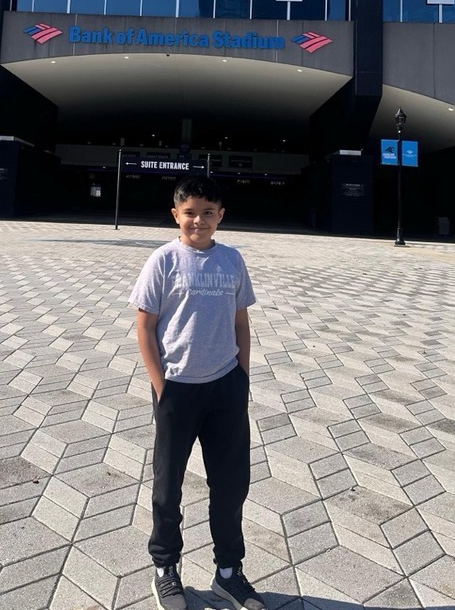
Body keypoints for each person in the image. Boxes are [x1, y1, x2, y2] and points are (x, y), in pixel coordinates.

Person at [130, 175, 264, 610]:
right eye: (190, 213)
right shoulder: (163, 260)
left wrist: (241, 376)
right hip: (177, 388)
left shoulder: (231, 260)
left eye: (208, 212)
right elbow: (145, 326)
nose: (199, 221)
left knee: (231, 484)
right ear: (176, 215)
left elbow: (241, 321)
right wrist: (160, 386)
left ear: (221, 216)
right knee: (168, 485)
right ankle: (165, 568)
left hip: (225, 386)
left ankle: (229, 572)